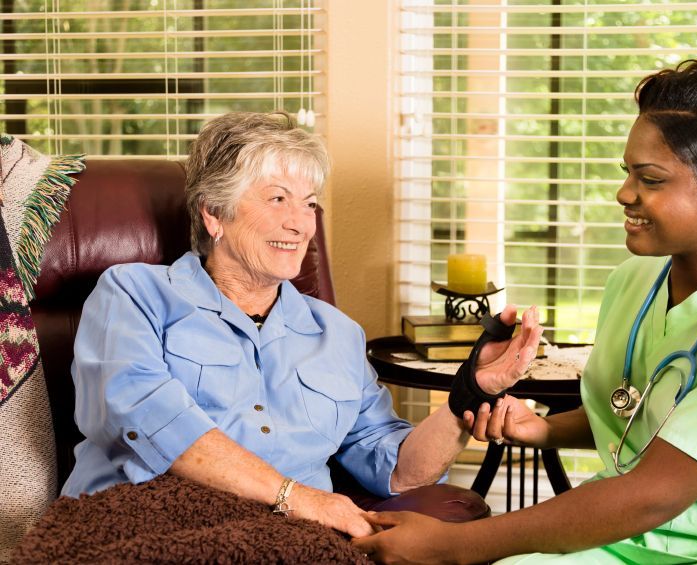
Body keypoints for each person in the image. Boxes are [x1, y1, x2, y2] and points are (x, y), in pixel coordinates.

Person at [353, 60, 697, 564]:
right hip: (631, 540)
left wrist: (453, 545)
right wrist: (547, 429)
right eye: (627, 173)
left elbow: (658, 490)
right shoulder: (634, 281)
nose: (624, 194)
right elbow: (643, 411)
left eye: (650, 179)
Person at [62, 111, 543, 538]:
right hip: (142, 523)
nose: (301, 223)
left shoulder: (337, 334)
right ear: (214, 213)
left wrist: (469, 392)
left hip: (286, 539)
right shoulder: (133, 295)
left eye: (309, 203)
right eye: (277, 198)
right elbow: (151, 420)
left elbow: (397, 471)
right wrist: (296, 498)